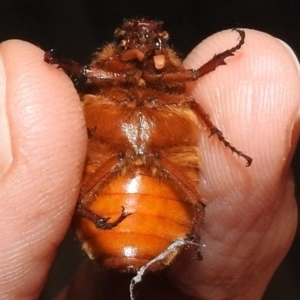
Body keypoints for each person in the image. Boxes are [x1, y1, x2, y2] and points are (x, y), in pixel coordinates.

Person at [0, 29, 299, 299]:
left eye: (155, 42)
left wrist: (223, 138)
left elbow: (193, 76)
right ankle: (99, 212)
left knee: (191, 108)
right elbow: (91, 73)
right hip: (107, 206)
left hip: (159, 205)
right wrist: (69, 67)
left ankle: (190, 214)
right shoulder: (102, 86)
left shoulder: (180, 97)